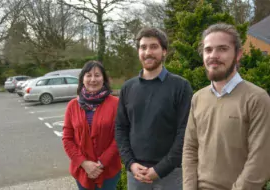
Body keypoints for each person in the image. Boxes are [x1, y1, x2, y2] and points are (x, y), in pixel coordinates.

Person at [183, 23, 270, 190]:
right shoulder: (198, 98)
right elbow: (189, 149)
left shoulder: (257, 99)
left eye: (222, 49)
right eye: (208, 50)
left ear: (238, 55)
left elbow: (261, 160)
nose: (213, 56)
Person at [115, 27, 193, 190]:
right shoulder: (128, 88)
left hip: (171, 174)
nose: (148, 52)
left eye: (153, 47)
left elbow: (185, 132)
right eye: (143, 47)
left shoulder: (180, 86)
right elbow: (121, 128)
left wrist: (160, 169)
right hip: (136, 174)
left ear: (164, 51)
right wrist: (130, 164)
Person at [62, 60, 122, 190]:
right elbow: (67, 139)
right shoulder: (72, 105)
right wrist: (84, 163)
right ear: (82, 79)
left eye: (97, 75)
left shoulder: (116, 104)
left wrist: (101, 163)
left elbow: (120, 136)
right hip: (81, 169)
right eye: (88, 75)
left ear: (104, 79)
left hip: (108, 169)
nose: (93, 79)